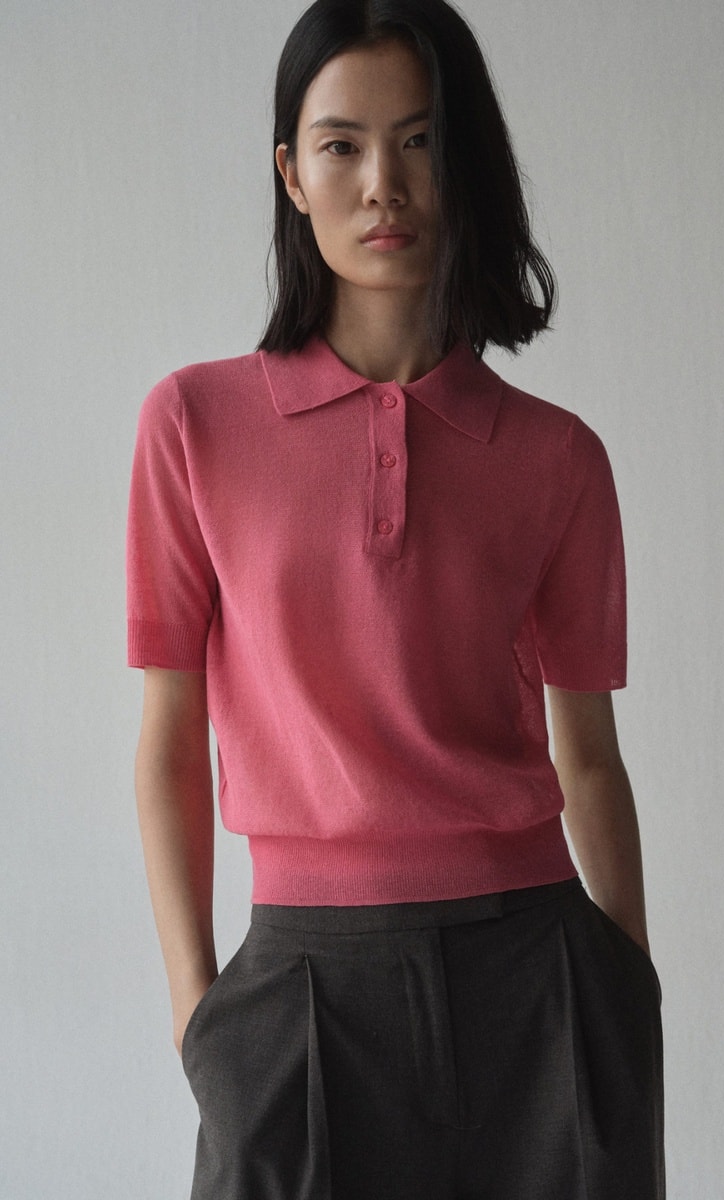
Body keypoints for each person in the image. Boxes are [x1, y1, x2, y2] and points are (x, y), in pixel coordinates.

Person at [127, 1, 665, 1197]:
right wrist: (198, 1014)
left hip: (538, 983)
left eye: (419, 141)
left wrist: (627, 992)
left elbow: (587, 756)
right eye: (342, 145)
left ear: (465, 162)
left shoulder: (556, 458)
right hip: (298, 989)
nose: (383, 184)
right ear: (290, 172)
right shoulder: (192, 426)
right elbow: (169, 737)